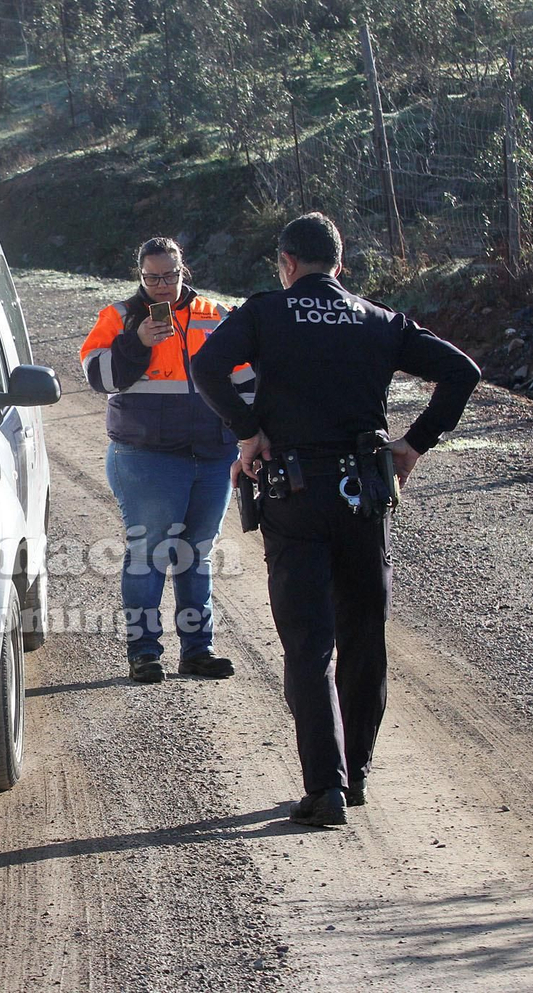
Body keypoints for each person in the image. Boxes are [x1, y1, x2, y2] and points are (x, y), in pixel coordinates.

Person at [191, 212, 480, 827]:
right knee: (363, 635)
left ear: (287, 264)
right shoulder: (378, 319)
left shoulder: (266, 312)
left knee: (308, 642)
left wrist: (248, 432)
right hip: (363, 494)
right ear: (340, 266)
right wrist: (415, 444)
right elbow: (462, 371)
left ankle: (325, 786)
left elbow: (207, 367)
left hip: (292, 493)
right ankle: (360, 775)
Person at [80, 237, 255, 685]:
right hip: (147, 457)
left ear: (184, 271)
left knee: (196, 554)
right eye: (153, 277)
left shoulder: (217, 316)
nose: (163, 285)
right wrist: (136, 343)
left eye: (170, 275)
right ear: (139, 275)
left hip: (213, 454)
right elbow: (100, 378)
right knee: (150, 551)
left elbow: (249, 382)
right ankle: (144, 653)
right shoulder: (118, 317)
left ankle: (198, 651)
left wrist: (250, 434)